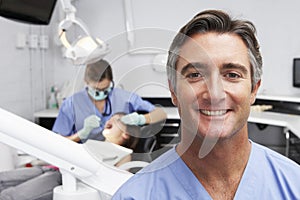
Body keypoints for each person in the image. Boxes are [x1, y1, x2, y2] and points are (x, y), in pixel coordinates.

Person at [112, 9, 300, 199]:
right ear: (173, 91)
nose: (214, 93)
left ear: (253, 89)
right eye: (195, 75)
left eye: (232, 75)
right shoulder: (135, 196)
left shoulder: (294, 185)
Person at [0, 113, 141, 200]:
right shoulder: (93, 142)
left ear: (126, 134)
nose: (110, 120)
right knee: (2, 179)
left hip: (64, 178)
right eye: (111, 117)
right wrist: (81, 133)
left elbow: (118, 185)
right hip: (50, 167)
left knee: (8, 196)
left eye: (117, 120)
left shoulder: (124, 153)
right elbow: (59, 146)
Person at [52, 59, 166, 143]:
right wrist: (81, 134)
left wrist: (141, 119)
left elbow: (160, 114)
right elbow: (56, 142)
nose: (102, 93)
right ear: (86, 82)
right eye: (97, 90)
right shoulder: (72, 104)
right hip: (84, 159)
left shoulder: (124, 98)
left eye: (106, 88)